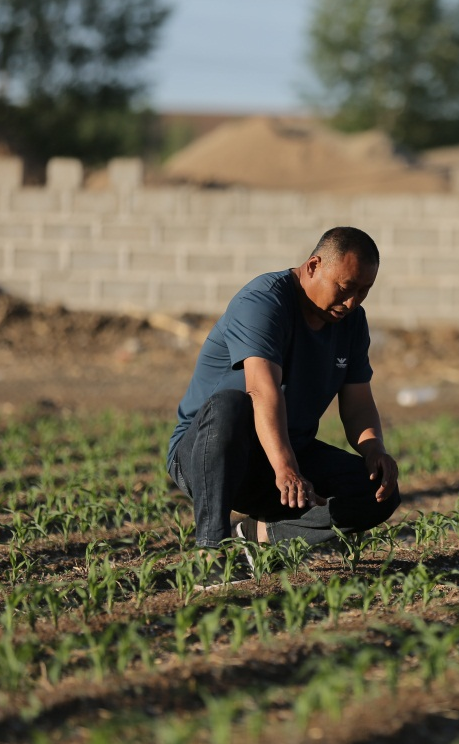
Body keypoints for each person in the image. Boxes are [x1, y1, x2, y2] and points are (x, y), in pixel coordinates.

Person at [166, 226, 400, 584]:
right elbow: (262, 390)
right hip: (209, 455)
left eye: (364, 291)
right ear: (313, 266)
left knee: (379, 491)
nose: (353, 301)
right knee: (232, 405)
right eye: (345, 287)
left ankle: (260, 535)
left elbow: (357, 403)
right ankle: (210, 551)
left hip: (283, 456)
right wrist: (286, 468)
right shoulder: (263, 302)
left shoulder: (352, 323)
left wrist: (374, 450)